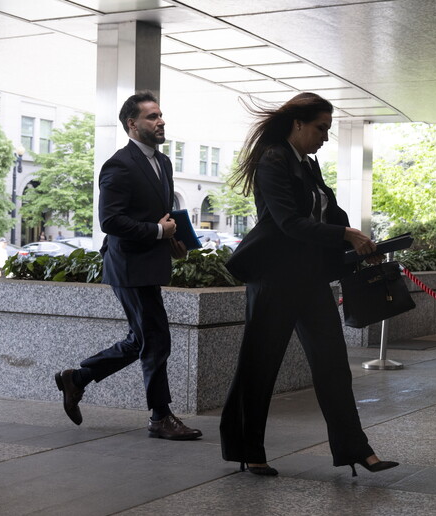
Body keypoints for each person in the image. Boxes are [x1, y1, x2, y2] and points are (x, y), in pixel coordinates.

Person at [219, 92, 398, 477]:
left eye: (328, 130)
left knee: (333, 365)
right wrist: (345, 235)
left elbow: (329, 215)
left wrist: (362, 246)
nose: (325, 137)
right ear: (297, 124)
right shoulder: (273, 160)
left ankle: (356, 449)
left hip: (310, 279)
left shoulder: (307, 165)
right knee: (260, 365)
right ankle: (248, 450)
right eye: (321, 128)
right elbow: (289, 223)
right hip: (274, 278)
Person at [55, 91, 201, 441]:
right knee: (156, 339)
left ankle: (77, 378)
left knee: (141, 340)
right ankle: (160, 417)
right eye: (152, 116)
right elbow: (110, 220)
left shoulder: (163, 162)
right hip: (128, 265)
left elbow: (162, 215)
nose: (161, 121)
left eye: (160, 115)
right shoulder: (119, 164)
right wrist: (157, 232)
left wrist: (174, 240)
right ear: (132, 124)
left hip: (150, 263)